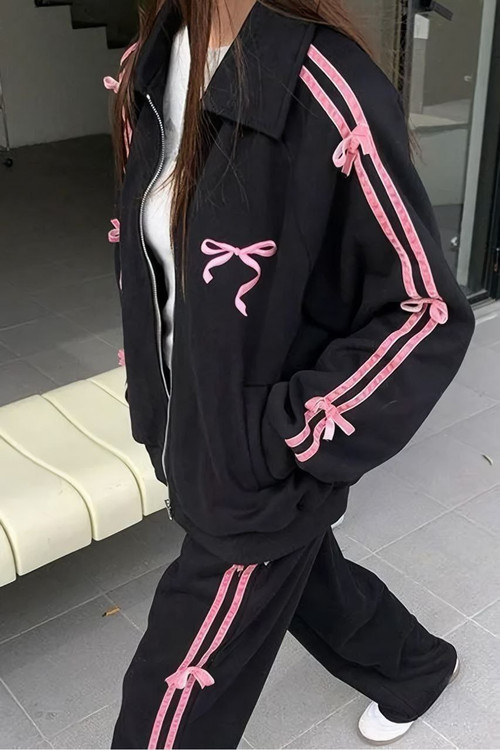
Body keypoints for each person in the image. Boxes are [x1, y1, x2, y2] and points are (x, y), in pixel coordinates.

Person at [107, 1, 474, 747]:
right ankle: (413, 667)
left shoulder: (326, 87)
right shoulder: (149, 62)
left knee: (164, 711)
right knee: (304, 573)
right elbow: (161, 262)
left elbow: (426, 309)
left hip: (257, 475)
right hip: (184, 426)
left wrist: (283, 436)